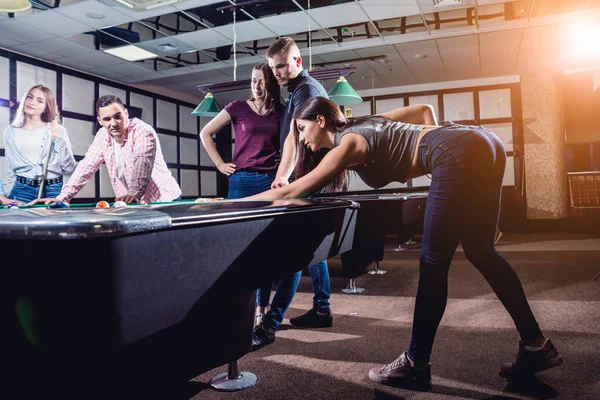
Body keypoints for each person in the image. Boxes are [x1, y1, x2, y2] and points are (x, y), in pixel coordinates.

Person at [247, 96, 563, 388]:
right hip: (485, 142)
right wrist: (440, 147)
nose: (301, 138)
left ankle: (415, 363)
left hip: (458, 149)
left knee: (433, 265)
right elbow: (424, 110)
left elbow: (292, 191)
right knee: (482, 250)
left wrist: (239, 202)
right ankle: (534, 344)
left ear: (319, 120)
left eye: (301, 129)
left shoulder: (347, 144)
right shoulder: (366, 122)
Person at [250, 37, 334, 352]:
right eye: (275, 68)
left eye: (283, 65)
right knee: (311, 250)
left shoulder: (308, 90)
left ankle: (269, 326)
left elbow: (294, 138)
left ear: (297, 61)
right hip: (311, 180)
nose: (279, 73)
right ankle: (322, 309)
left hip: (310, 181)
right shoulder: (299, 90)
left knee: (293, 254)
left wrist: (283, 177)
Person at [200, 62, 282, 322]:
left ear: (270, 83)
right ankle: (233, 305)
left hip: (271, 181)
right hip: (241, 181)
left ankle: (261, 308)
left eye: (261, 81)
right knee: (236, 245)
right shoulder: (237, 107)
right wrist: (219, 164)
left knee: (267, 249)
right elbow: (206, 133)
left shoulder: (281, 111)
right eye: (252, 80)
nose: (256, 86)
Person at [31, 95, 181, 205]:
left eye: (118, 117)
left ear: (126, 113)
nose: (114, 123)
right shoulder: (102, 135)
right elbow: (86, 167)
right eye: (107, 119)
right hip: (132, 203)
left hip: (164, 200)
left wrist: (134, 193)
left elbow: (142, 163)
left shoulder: (142, 131)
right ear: (100, 121)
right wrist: (63, 197)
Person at [3, 84, 77, 203]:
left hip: (53, 189)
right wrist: (4, 196)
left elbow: (69, 168)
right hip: (21, 190)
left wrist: (58, 139)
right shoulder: (10, 132)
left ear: (46, 107)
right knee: (21, 221)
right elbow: (9, 169)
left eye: (39, 100)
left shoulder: (57, 130)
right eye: (29, 97)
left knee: (51, 222)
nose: (32, 102)